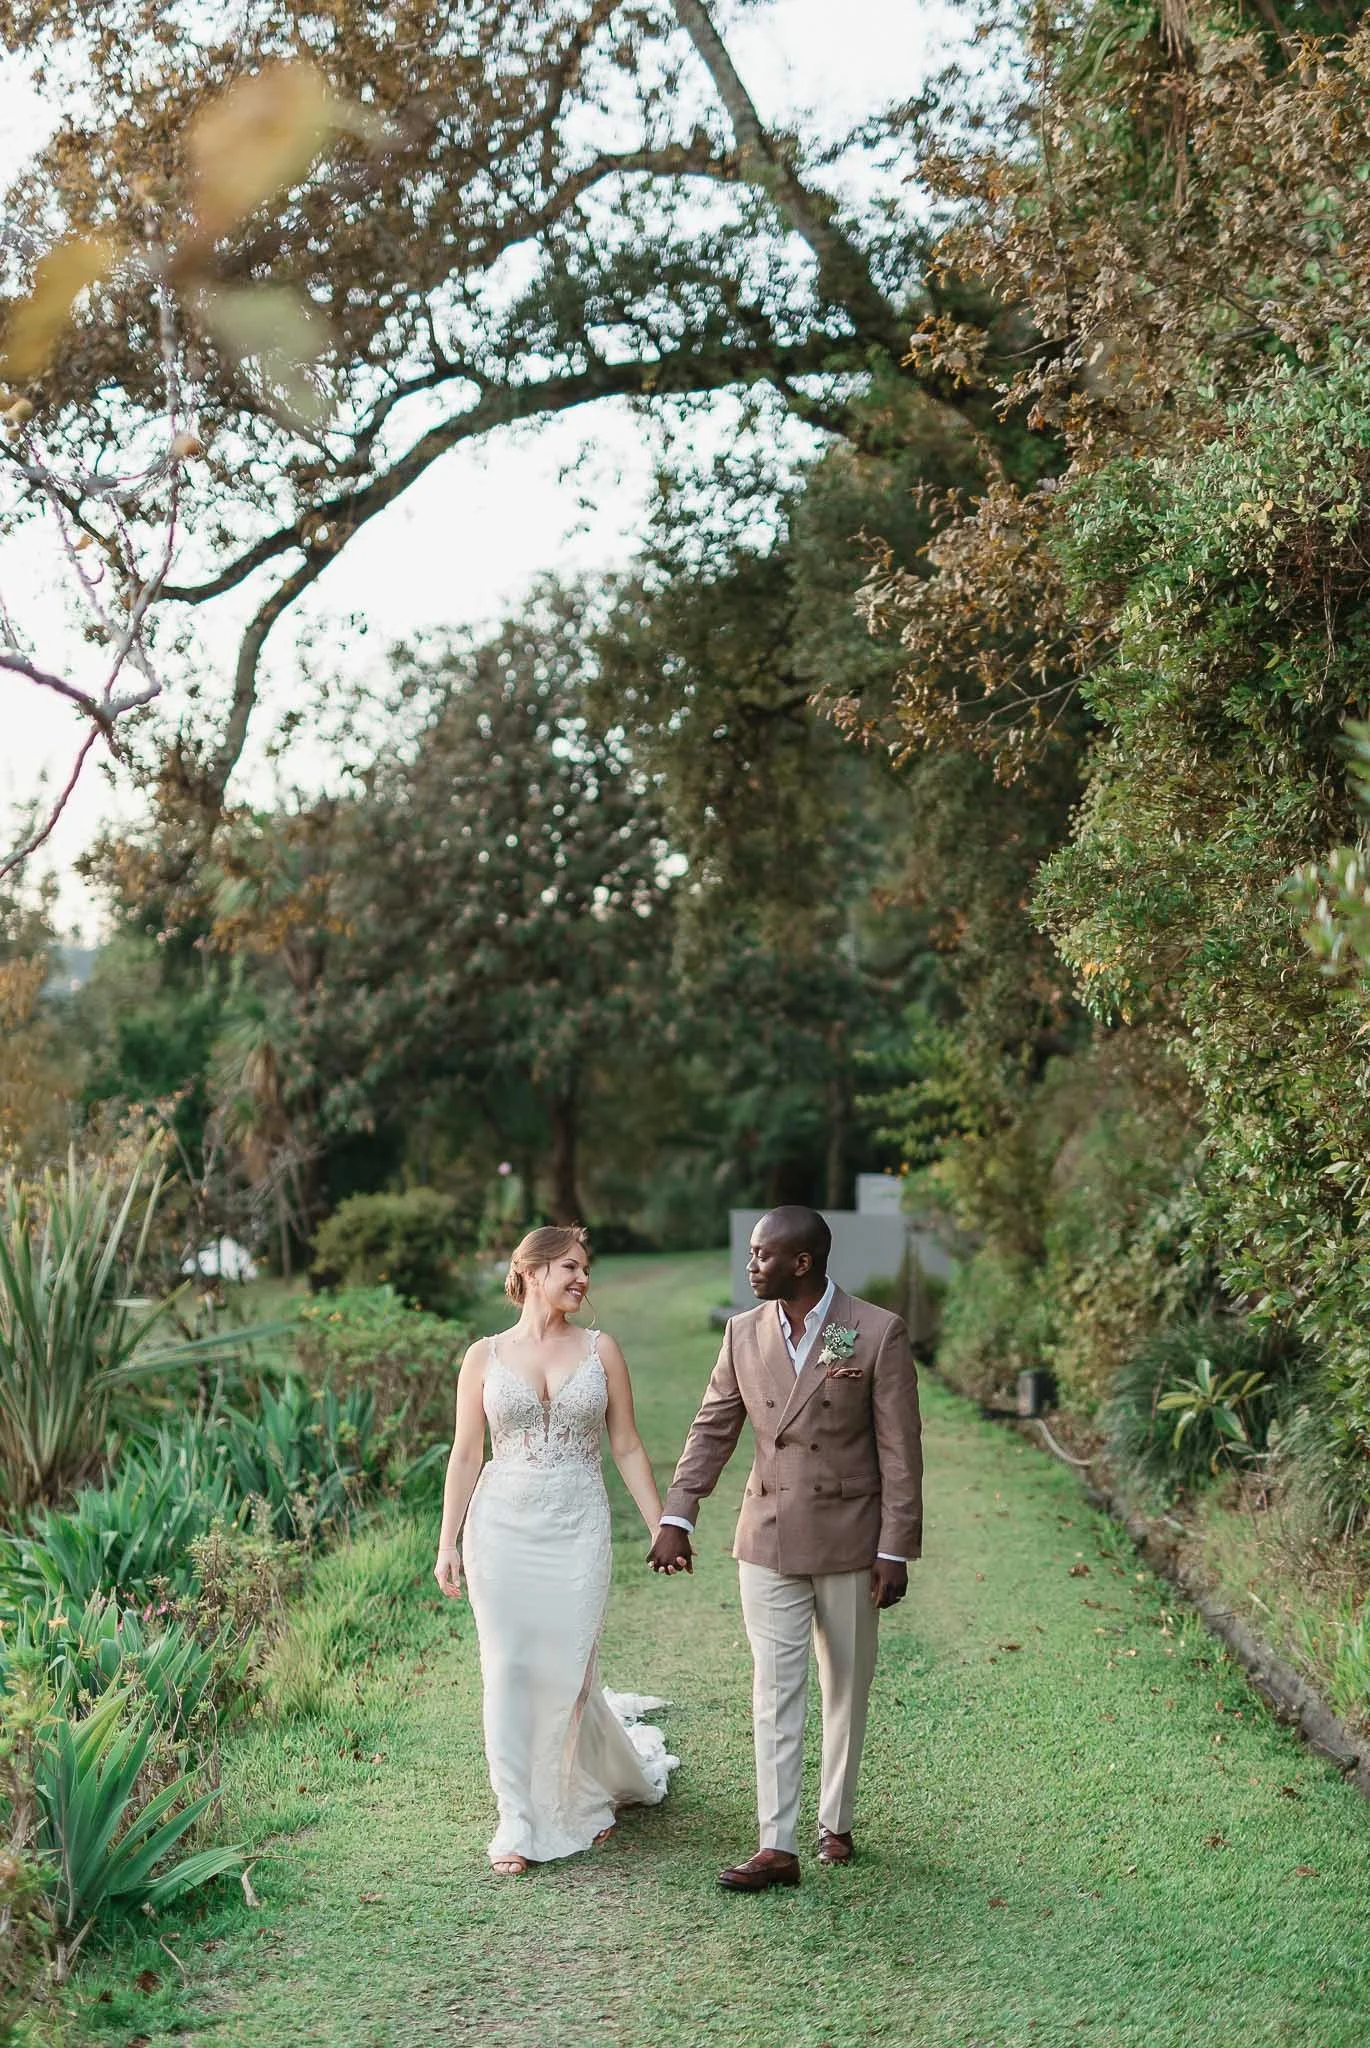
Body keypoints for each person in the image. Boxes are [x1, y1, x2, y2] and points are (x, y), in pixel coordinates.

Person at [647, 1204, 922, 1891]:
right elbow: (713, 1428)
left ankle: (836, 1820)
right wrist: (679, 1513)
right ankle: (777, 1844)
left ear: (803, 1263)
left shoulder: (874, 1331)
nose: (751, 1265)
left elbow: (900, 1452)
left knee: (846, 1687)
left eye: (762, 1255)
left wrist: (895, 1548)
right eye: (751, 1253)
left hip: (850, 1537)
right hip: (766, 1534)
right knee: (774, 1688)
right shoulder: (742, 1333)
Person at [434, 1223, 679, 1875]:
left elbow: (626, 1445)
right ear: (531, 1271)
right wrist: (447, 1541)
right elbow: (465, 1454)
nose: (583, 1279)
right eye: (570, 1266)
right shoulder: (483, 1356)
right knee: (508, 1667)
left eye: (585, 1268)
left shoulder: (602, 1350)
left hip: (577, 1526)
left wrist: (661, 1525)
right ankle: (517, 1816)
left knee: (567, 1673)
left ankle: (572, 1795)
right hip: (500, 1529)